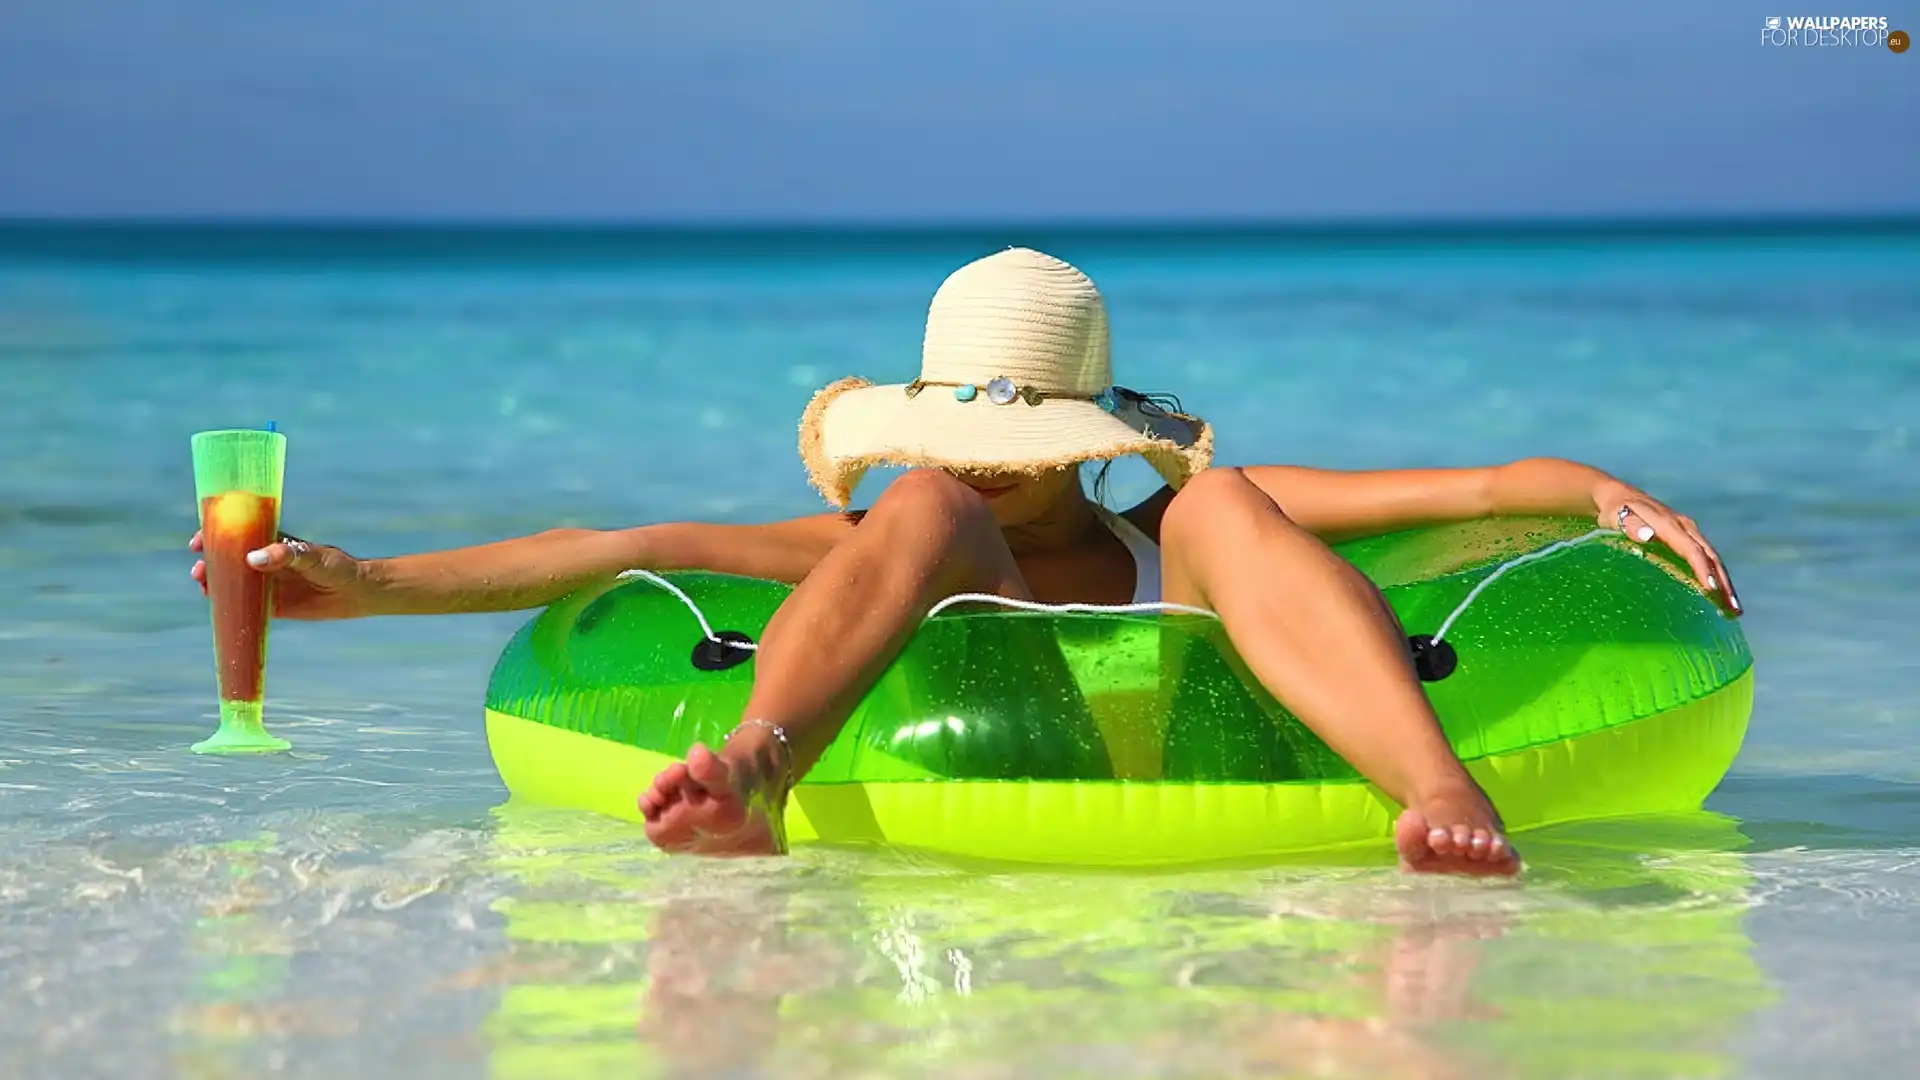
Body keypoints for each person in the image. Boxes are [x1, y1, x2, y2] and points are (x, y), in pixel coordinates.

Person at [189, 248, 1741, 877]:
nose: (994, 456)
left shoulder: (1170, 525)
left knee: (1228, 508)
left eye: (1026, 433)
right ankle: (756, 773)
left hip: (1236, 744)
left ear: (1091, 435)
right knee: (921, 530)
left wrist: (1605, 494)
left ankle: (1439, 786)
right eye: (963, 431)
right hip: (892, 736)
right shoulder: (910, 518)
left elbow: (1477, 484)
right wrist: (368, 584)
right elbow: (626, 547)